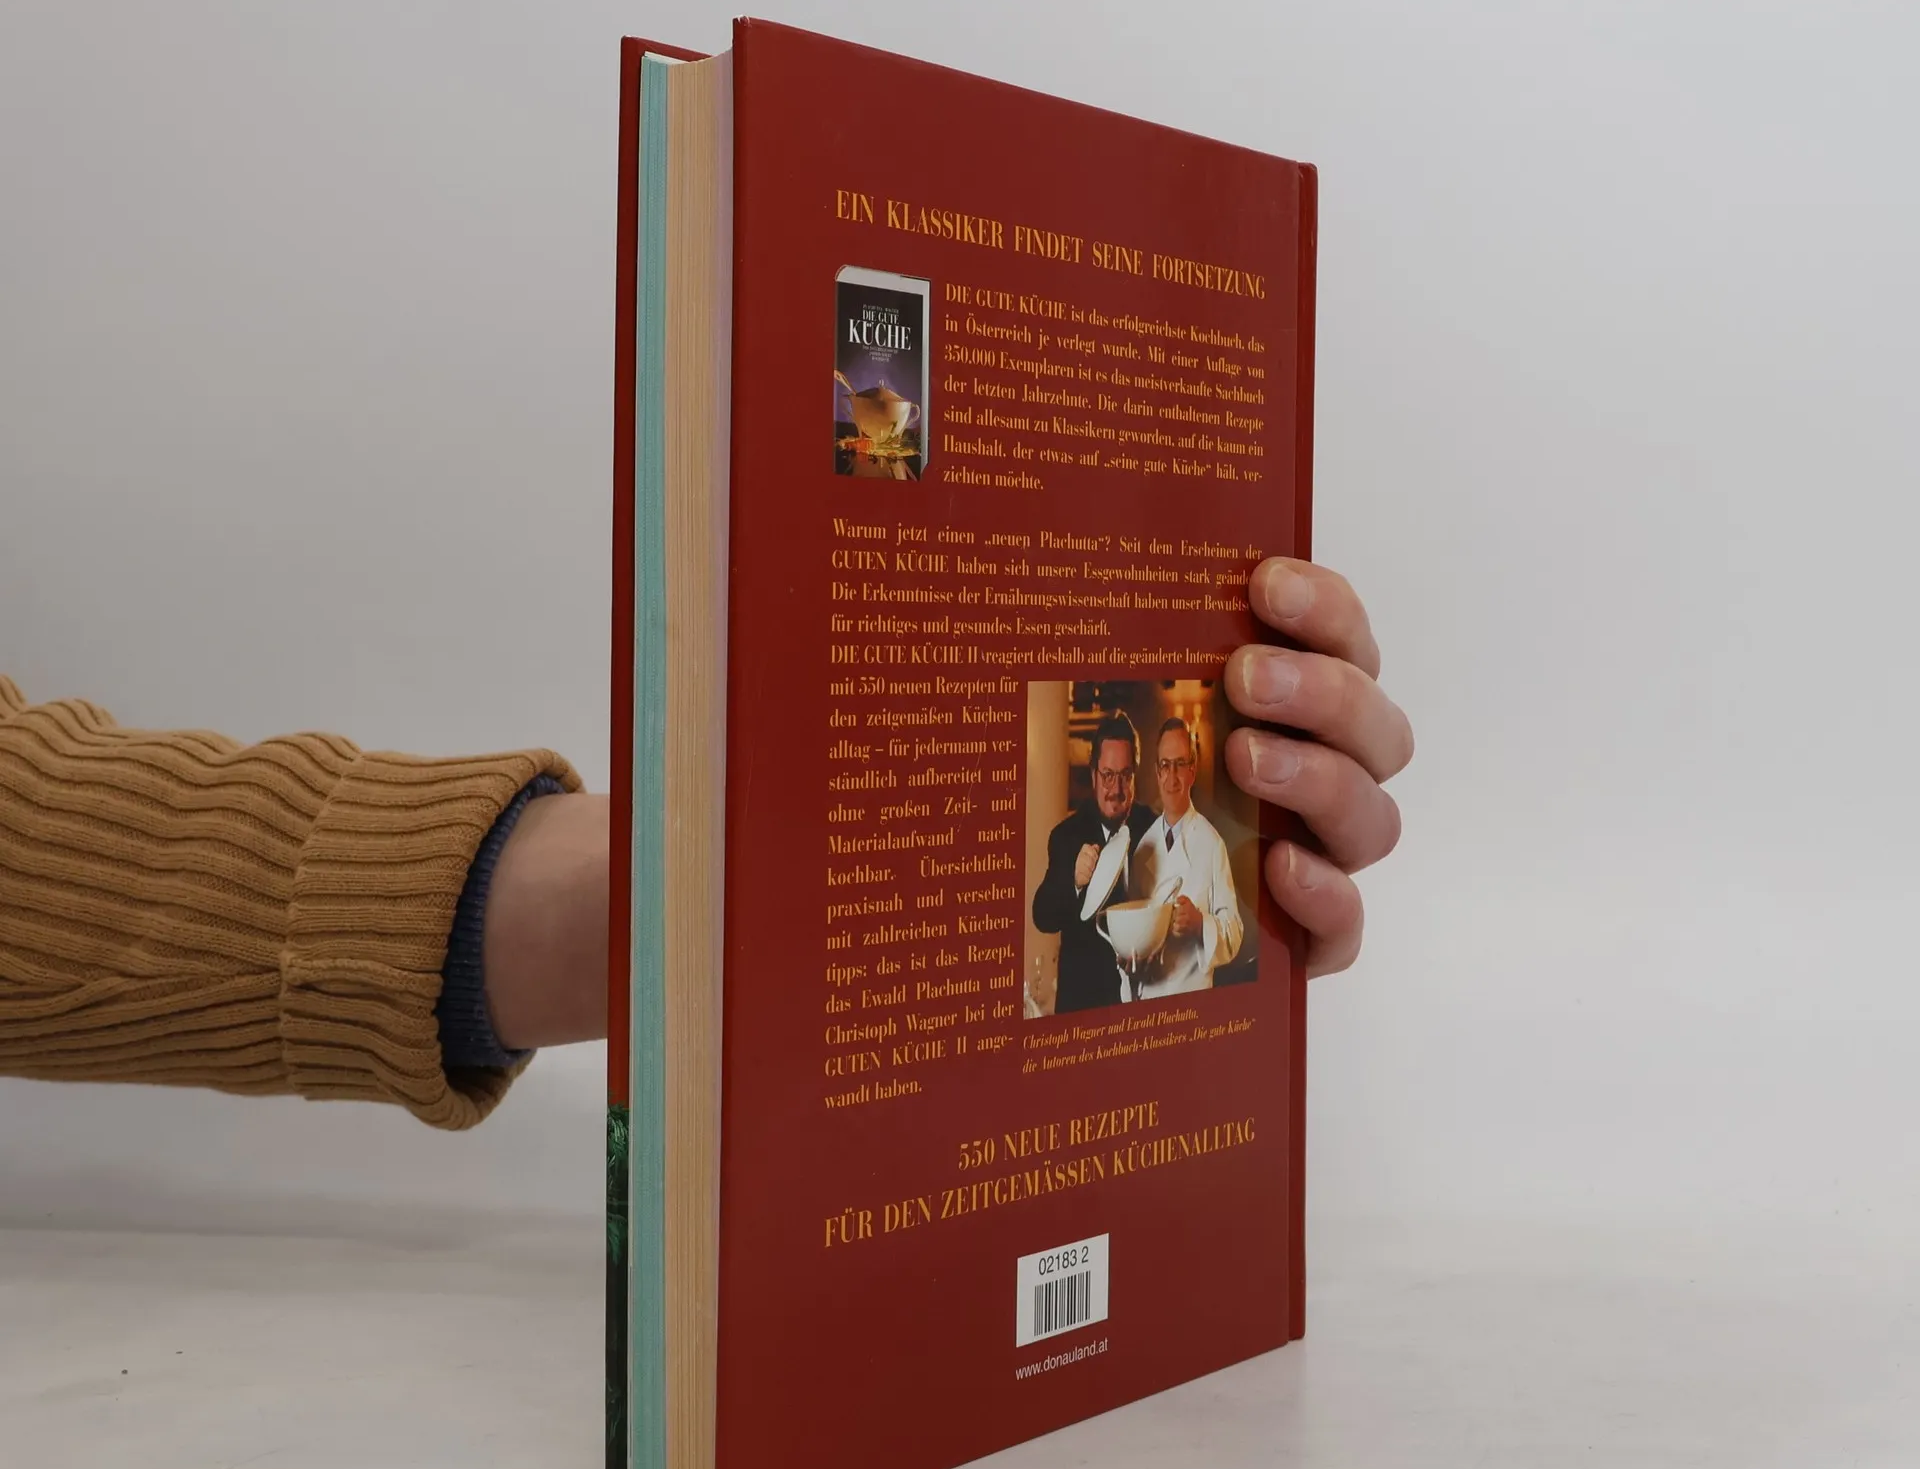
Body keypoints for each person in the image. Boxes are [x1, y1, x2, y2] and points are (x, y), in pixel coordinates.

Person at [0, 555, 1412, 1125]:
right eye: (1123, 763)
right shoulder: (1083, 852)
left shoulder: (1174, 847)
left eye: (1148, 764)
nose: (1133, 777)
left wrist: (888, 851)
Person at [1030, 711, 1158, 1014]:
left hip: (1145, 1003)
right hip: (1084, 1009)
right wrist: (1073, 882)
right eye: (1108, 775)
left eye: (1125, 775)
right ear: (1093, 775)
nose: (1116, 789)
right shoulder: (1066, 836)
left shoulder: (1153, 827)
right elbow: (1042, 915)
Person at [1128, 717, 1244, 998]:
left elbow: (1234, 933)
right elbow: (1133, 934)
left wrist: (1200, 923)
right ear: (1157, 772)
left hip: (1192, 1002)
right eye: (1165, 765)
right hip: (1148, 1004)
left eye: (1180, 764)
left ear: (1192, 770)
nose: (1172, 777)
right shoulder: (1143, 848)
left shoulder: (1212, 844)